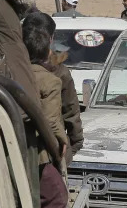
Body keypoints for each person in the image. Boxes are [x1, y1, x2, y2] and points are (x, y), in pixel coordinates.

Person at [20, 20, 69, 208]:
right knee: (57, 196)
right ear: (48, 49)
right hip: (37, 152)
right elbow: (51, 122)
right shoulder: (50, 80)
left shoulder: (10, 73)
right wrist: (61, 144)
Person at [25, 11, 85, 153]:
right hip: (48, 148)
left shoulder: (12, 67)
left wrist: (72, 146)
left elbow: (70, 112)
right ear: (51, 39)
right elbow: (71, 112)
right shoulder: (59, 72)